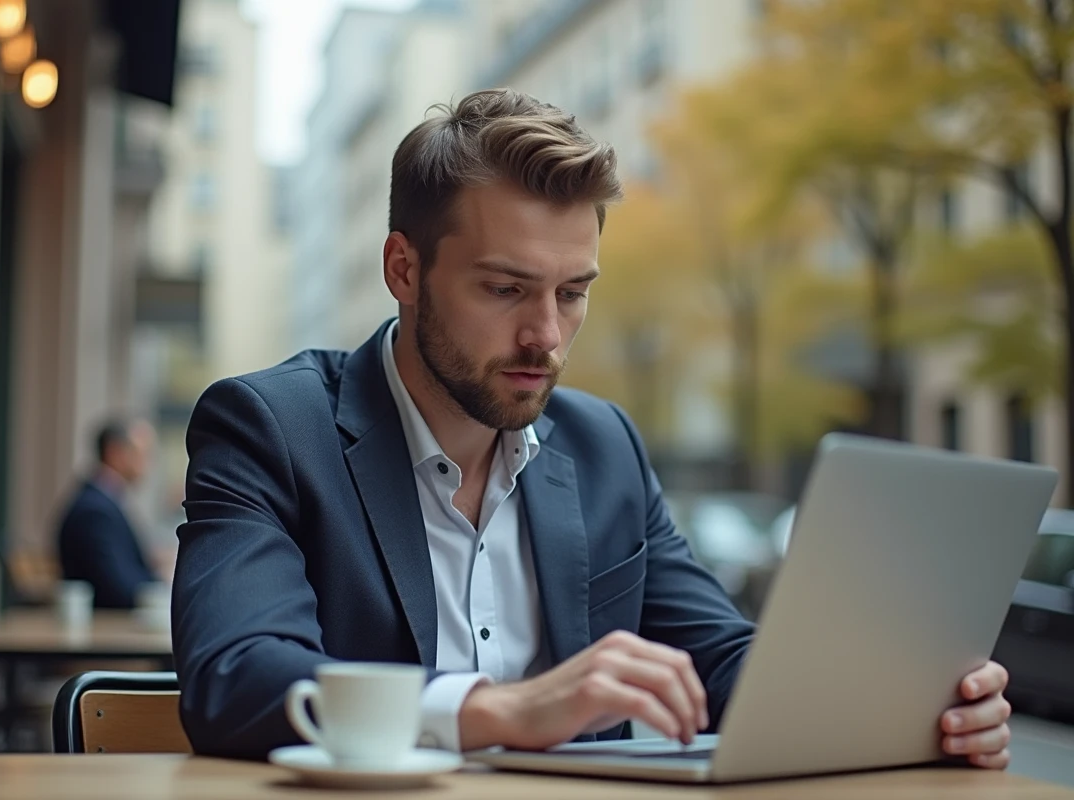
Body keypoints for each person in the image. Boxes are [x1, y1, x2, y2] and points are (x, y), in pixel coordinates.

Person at [172, 89, 1013, 768]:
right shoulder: (272, 428)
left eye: (572, 293)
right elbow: (236, 680)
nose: (546, 334)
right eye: (505, 290)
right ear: (404, 269)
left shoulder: (602, 445)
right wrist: (498, 709)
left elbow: (722, 660)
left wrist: (912, 708)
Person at [58, 417, 159, 609]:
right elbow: (119, 589)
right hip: (105, 628)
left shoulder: (104, 502)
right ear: (115, 452)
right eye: (142, 453)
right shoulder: (95, 511)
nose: (148, 463)